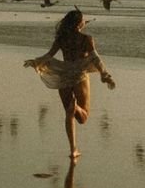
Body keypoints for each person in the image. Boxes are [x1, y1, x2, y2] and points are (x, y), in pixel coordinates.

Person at [24, 9, 115, 158]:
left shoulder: (61, 39)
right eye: (83, 20)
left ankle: (73, 149)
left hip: (64, 76)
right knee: (83, 117)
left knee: (69, 114)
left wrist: (35, 62)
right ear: (79, 23)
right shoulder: (86, 39)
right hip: (79, 76)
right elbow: (95, 58)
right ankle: (76, 107)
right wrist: (105, 74)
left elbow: (49, 55)